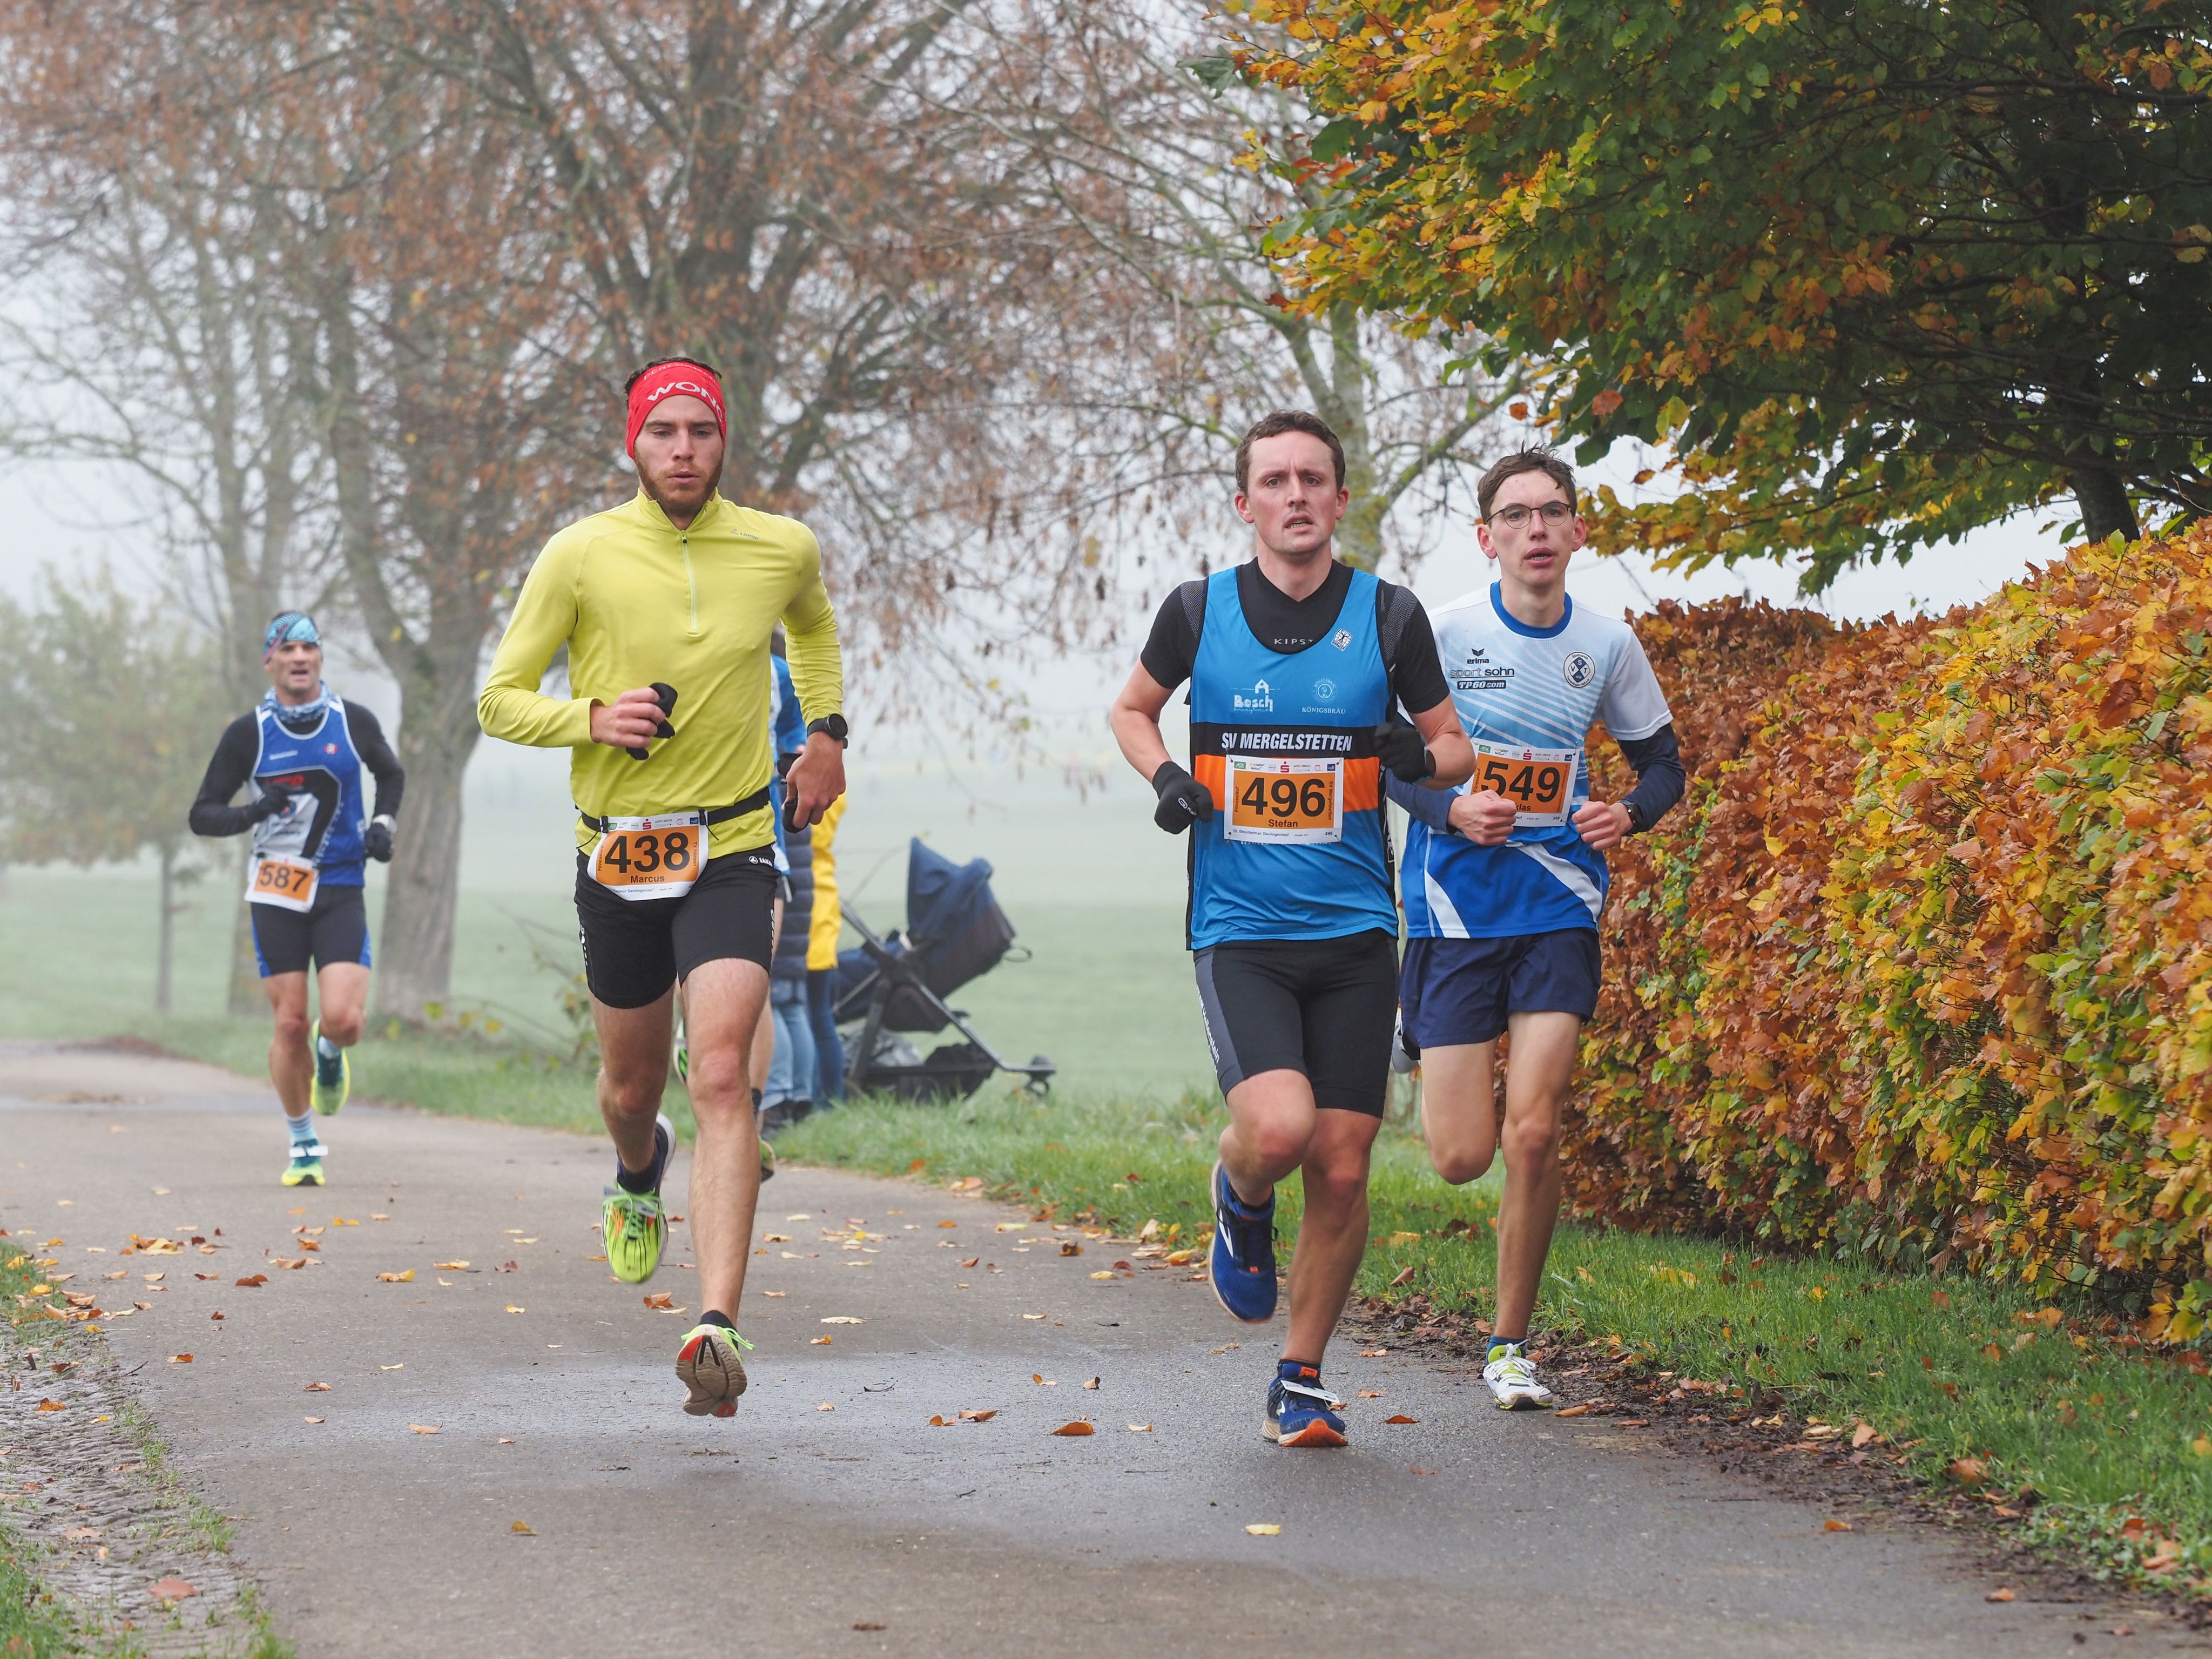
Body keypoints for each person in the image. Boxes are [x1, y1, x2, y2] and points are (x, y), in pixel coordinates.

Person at [477, 356, 847, 1419]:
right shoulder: (579, 555)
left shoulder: (780, 547)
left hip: (734, 844)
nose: (683, 451)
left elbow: (813, 630)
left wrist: (826, 735)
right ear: (633, 443)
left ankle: (716, 1324)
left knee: (722, 1072)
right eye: (663, 432)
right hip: (619, 853)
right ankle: (638, 1171)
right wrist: (589, 719)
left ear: (724, 439)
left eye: (701, 431)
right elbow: (499, 699)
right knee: (632, 1090)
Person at [1108, 410, 1473, 1448]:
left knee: (1346, 1166)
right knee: (1279, 1131)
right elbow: (1131, 710)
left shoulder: (1389, 615)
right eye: (1275, 480)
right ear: (1246, 504)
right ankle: (1239, 1191)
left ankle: (1301, 1378)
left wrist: (1416, 754)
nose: (1296, 495)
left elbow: (1456, 748)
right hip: (1241, 929)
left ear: (1340, 499)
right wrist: (1167, 776)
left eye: (1314, 478)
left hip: (1357, 932)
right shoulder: (1198, 611)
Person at [1387, 447, 1686, 1410]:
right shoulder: (1445, 632)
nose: (1536, 529)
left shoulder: (1606, 643)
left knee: (1535, 1131)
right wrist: (1448, 809)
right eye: (1515, 516)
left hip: (1560, 901)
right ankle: (1414, 1035)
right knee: (1460, 1156)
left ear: (1578, 529)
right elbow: (1389, 762)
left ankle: (1509, 1347)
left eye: (1553, 511)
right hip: (1454, 907)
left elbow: (1664, 766)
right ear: (1487, 538)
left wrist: (1627, 814)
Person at [188, 612, 403, 1186]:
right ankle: (303, 1142)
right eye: (288, 649)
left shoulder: (352, 720)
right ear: (271, 662)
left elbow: (391, 774)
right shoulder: (248, 734)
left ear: (320, 659)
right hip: (277, 890)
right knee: (289, 1024)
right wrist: (254, 812)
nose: (300, 657)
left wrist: (382, 824)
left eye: (309, 648)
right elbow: (202, 814)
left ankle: (330, 1053)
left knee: (344, 1020)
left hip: (340, 885)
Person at [760, 644, 816, 1133]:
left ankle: (776, 1095)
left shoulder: (787, 793)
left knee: (774, 1000)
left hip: (779, 889)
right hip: (805, 910)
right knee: (790, 1005)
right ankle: (796, 1093)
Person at [805, 794, 848, 1105]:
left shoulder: (801, 792)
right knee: (820, 1015)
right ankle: (832, 1100)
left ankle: (816, 1099)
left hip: (807, 909)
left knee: (806, 1015)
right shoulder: (834, 788)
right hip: (823, 907)